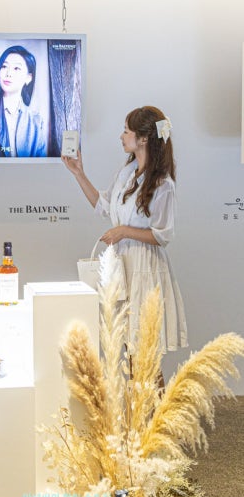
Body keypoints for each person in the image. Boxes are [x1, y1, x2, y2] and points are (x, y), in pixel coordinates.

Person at [62, 106, 187, 354]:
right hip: (122, 264)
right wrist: (78, 173)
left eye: (126, 131)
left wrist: (124, 231)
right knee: (126, 345)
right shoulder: (127, 173)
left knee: (144, 351)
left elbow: (162, 235)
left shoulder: (163, 184)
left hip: (144, 267)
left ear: (143, 138)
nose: (121, 136)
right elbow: (103, 205)